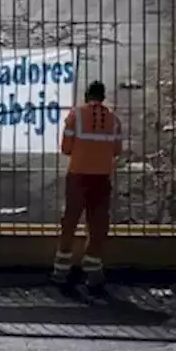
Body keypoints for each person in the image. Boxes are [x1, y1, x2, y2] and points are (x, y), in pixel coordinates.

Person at [52, 80, 124, 292]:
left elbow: (66, 148)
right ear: (103, 97)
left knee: (70, 222)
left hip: (78, 176)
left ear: (86, 96)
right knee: (97, 225)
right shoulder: (114, 120)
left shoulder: (75, 116)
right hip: (102, 177)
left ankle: (60, 271)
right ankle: (93, 272)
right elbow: (117, 150)